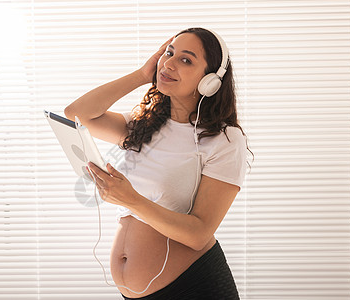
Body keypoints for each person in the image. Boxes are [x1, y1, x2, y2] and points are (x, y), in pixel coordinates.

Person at [64, 27, 248, 300]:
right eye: (168, 53)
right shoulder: (143, 124)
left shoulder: (224, 139)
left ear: (210, 80)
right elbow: (76, 114)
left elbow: (199, 234)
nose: (169, 63)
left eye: (186, 60)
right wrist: (141, 75)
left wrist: (132, 199)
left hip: (195, 288)